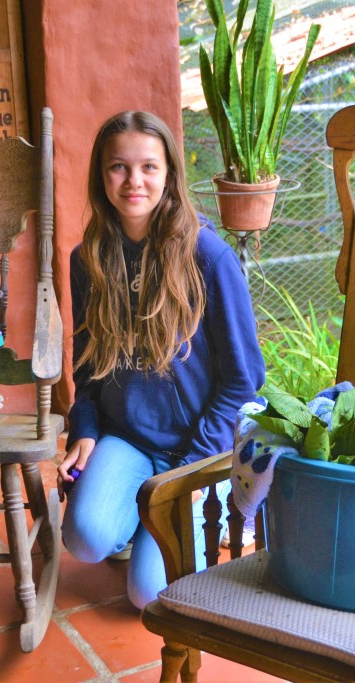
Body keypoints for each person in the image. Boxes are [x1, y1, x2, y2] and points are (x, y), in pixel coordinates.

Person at [58, 110, 266, 609]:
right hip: (127, 438)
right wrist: (84, 430)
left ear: (169, 173)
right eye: (118, 168)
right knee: (84, 538)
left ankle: (213, 512)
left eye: (149, 167)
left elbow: (244, 380)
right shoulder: (86, 260)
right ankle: (137, 516)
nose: (134, 181)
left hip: (197, 449)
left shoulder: (208, 258)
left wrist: (195, 466)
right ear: (100, 175)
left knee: (148, 595)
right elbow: (86, 368)